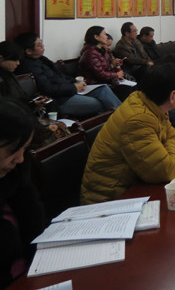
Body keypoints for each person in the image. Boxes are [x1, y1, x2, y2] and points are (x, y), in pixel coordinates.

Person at [80, 62, 175, 205]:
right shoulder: (139, 119)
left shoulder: (147, 103)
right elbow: (164, 171)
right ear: (173, 96)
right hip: (108, 203)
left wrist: (170, 147)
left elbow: (173, 137)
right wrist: (173, 147)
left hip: (129, 191)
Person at [14, 33, 121, 120]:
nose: (43, 47)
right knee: (101, 103)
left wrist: (75, 82)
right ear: (29, 51)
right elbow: (48, 88)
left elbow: (60, 76)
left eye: (41, 43)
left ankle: (123, 117)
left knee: (103, 89)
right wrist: (73, 87)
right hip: (60, 99)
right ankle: (119, 121)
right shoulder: (28, 66)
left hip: (68, 91)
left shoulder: (42, 59)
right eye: (39, 45)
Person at [0, 99, 47, 288]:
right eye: (12, 151)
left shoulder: (15, 175)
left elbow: (35, 223)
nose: (19, 159)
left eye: (25, 149)